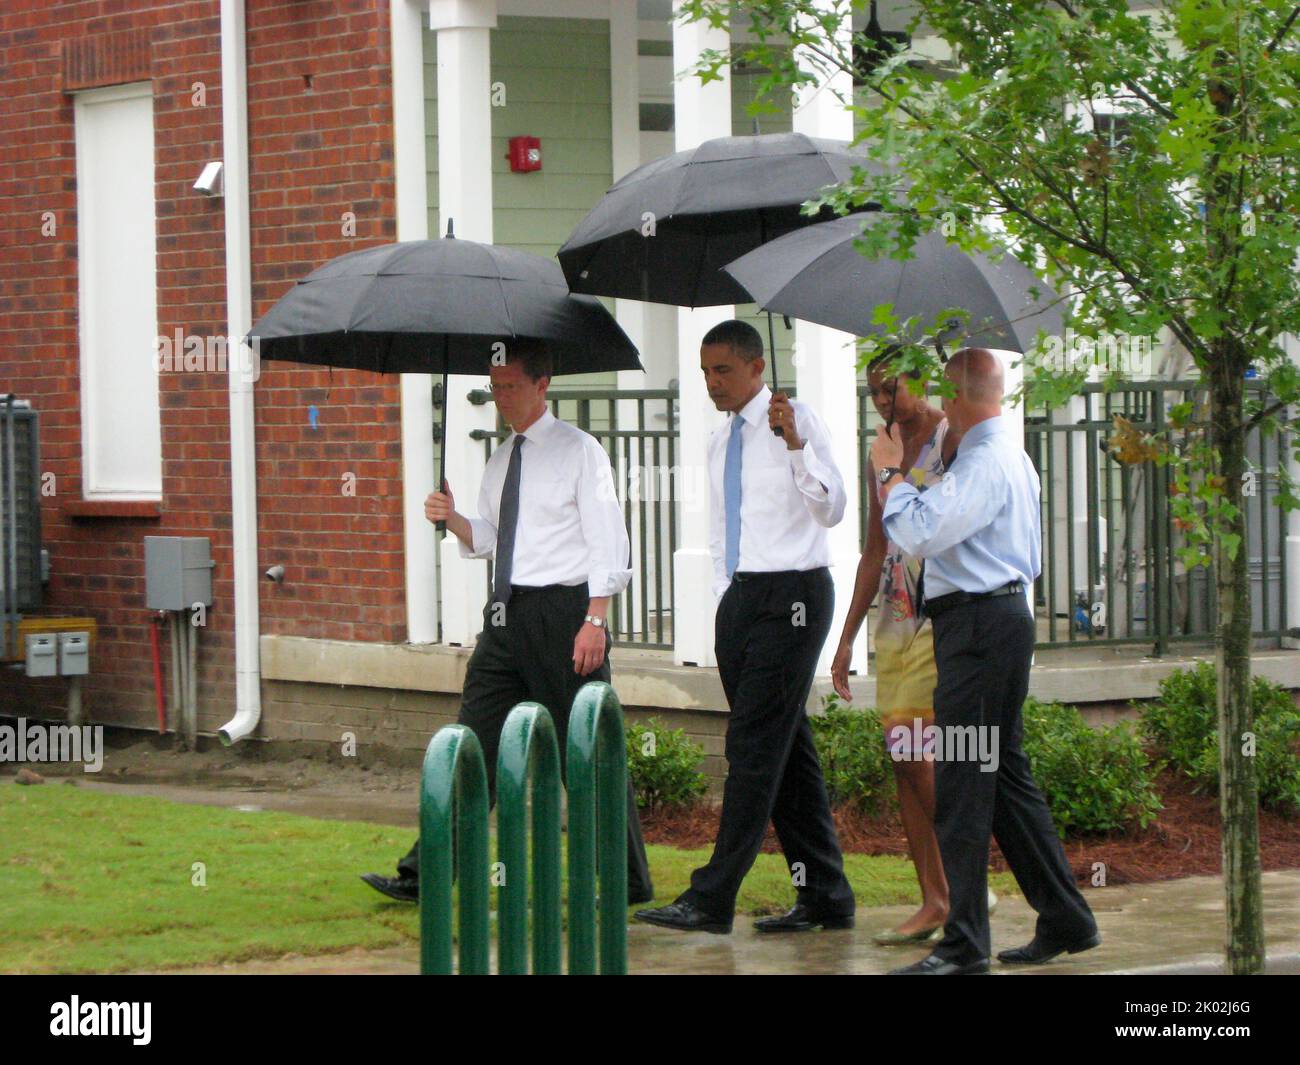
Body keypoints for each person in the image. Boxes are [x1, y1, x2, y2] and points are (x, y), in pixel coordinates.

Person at [361, 342, 654, 905]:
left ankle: (626, 878)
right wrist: (456, 521)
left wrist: (597, 618)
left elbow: (607, 538)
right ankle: (426, 873)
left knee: (587, 749)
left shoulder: (580, 452)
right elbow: (493, 539)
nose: (501, 398)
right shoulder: (501, 459)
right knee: (472, 740)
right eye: (494, 387)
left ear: (543, 385)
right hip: (505, 617)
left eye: (511, 386)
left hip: (566, 613)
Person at [872, 347, 1099, 975]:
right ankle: (1066, 918)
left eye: (947, 395)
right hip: (992, 622)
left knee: (968, 782)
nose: (941, 407)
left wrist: (891, 476)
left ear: (966, 397)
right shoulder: (1002, 456)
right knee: (1004, 781)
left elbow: (917, 535)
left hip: (977, 629)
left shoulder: (985, 461)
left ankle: (964, 944)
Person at [634, 319, 855, 934]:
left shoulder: (799, 422)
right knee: (787, 751)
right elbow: (719, 528)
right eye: (706, 371)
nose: (712, 383)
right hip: (742, 596)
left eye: (723, 370)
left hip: (795, 595)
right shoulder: (717, 440)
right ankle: (826, 895)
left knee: (753, 746)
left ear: (758, 367)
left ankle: (712, 897)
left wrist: (793, 445)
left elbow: (832, 509)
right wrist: (723, 598)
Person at [830, 350, 962, 945]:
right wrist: (845, 638)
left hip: (941, 614)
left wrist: (893, 476)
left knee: (920, 756)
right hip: (895, 618)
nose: (884, 403)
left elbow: (949, 525)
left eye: (892, 389)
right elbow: (874, 550)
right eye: (874, 394)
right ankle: (934, 899)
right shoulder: (880, 451)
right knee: (900, 755)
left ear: (921, 379)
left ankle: (962, 886)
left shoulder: (951, 439)